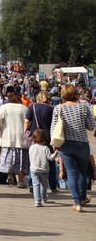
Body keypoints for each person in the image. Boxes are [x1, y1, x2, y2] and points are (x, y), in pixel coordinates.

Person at [50, 84, 96, 212]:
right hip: (82, 144)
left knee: (71, 173)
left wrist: (54, 145)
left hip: (65, 144)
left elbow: (53, 128)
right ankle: (83, 197)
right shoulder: (84, 107)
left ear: (63, 94)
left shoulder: (58, 108)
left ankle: (77, 202)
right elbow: (91, 126)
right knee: (82, 172)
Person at [0, 85, 30, 188]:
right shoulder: (25, 108)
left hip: (7, 137)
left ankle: (10, 174)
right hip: (21, 138)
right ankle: (21, 181)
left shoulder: (4, 107)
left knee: (9, 158)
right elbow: (28, 122)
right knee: (21, 161)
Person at [25, 90, 57, 193]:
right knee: (50, 161)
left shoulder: (32, 107)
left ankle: (32, 184)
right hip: (48, 136)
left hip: (35, 136)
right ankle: (53, 185)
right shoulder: (51, 109)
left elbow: (27, 122)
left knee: (33, 160)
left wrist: (25, 132)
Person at [28, 129, 57, 207]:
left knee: (35, 184)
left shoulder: (31, 147)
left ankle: (37, 201)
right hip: (44, 169)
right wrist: (55, 153)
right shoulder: (45, 148)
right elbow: (51, 158)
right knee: (44, 184)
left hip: (34, 169)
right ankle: (43, 197)